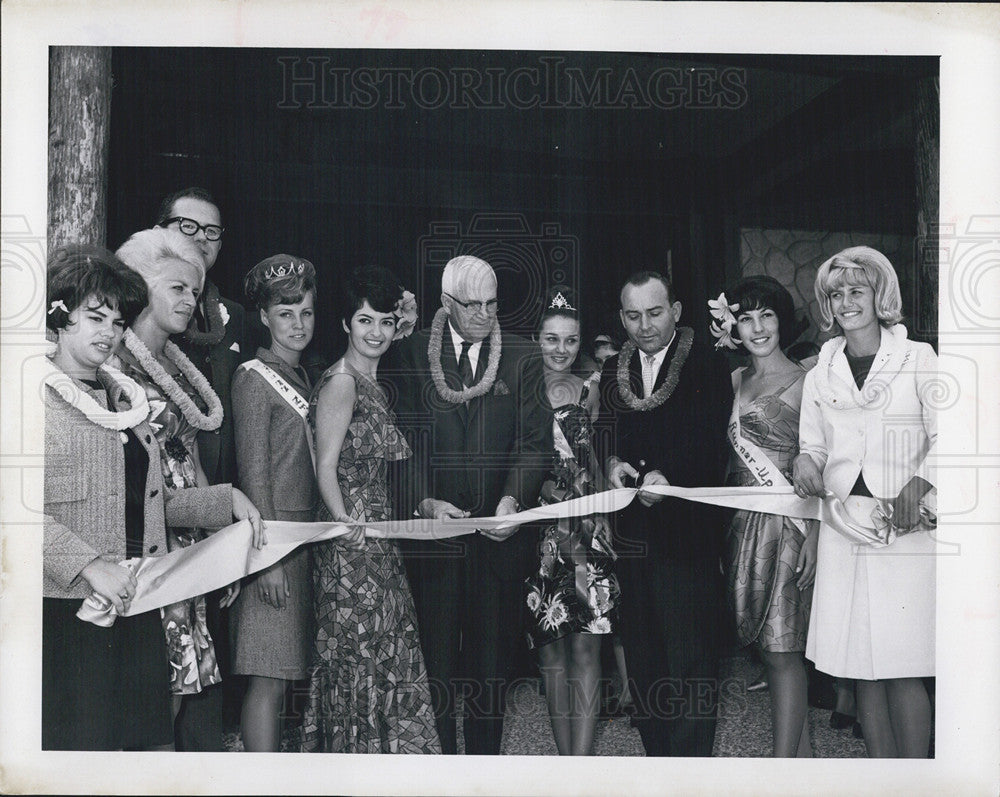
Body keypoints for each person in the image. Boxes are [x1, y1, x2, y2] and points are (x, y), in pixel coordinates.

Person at [42, 245, 256, 750]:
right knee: (80, 761)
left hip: (139, 601)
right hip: (67, 610)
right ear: (59, 316)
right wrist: (90, 565)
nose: (109, 333)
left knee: (147, 752)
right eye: (95, 318)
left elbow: (145, 505)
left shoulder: (124, 400)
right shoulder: (28, 394)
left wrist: (225, 503)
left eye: (117, 322)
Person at [384, 255, 552, 755]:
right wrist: (423, 502)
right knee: (433, 666)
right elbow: (398, 441)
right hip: (433, 541)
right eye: (472, 305)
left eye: (492, 304)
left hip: (497, 544)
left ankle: (482, 772)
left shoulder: (522, 355)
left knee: (491, 673)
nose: (484, 315)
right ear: (445, 304)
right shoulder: (409, 354)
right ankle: (439, 773)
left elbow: (534, 443)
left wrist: (512, 500)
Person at [792, 246, 937, 758]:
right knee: (861, 670)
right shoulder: (819, 371)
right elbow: (812, 445)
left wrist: (916, 489)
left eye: (857, 290)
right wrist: (805, 463)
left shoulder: (918, 357)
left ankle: (918, 780)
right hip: (842, 525)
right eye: (836, 293)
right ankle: (882, 776)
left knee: (902, 665)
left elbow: (951, 435)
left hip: (903, 524)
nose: (846, 301)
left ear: (881, 296)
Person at [114, 227, 259, 738]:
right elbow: (137, 490)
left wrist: (220, 541)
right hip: (147, 543)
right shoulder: (113, 366)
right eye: (177, 287)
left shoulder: (177, 362)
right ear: (139, 286)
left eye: (194, 290)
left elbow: (189, 456)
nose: (189, 299)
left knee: (184, 688)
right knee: (152, 695)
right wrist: (225, 502)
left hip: (188, 538)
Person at [299, 266, 439, 753]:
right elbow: (325, 465)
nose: (375, 332)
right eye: (364, 321)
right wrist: (343, 523)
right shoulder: (342, 383)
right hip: (350, 549)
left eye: (384, 321)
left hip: (376, 541)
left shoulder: (371, 382)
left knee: (382, 649)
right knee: (357, 656)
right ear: (345, 325)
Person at [597, 270, 732, 757]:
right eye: (633, 316)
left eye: (655, 313)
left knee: (691, 661)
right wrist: (611, 462)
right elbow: (605, 431)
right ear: (621, 318)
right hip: (632, 537)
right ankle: (657, 761)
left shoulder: (709, 363)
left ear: (675, 311)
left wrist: (669, 477)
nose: (645, 325)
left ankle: (691, 770)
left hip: (687, 534)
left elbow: (714, 437)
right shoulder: (615, 367)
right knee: (646, 656)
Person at [708, 275, 818, 757]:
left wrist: (814, 533)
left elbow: (820, 461)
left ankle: (781, 772)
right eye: (745, 317)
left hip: (788, 527)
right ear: (732, 324)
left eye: (766, 315)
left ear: (781, 319)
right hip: (739, 526)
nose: (757, 327)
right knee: (765, 649)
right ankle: (805, 763)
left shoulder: (808, 381)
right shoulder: (732, 381)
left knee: (783, 651)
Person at [155, 186, 248, 749]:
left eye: (211, 231)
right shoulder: (148, 310)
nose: (201, 240)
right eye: (187, 227)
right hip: (163, 503)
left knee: (205, 658)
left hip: (213, 498)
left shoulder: (231, 315)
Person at [524, 289, 620, 755]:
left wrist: (601, 509)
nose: (560, 349)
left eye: (570, 340)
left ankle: (581, 767)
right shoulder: (519, 387)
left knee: (587, 645)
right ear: (536, 339)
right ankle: (564, 764)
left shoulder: (589, 388)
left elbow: (594, 459)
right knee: (550, 653)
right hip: (538, 528)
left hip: (585, 527)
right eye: (551, 338)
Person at [230, 255, 319, 751]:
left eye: (306, 312)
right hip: (274, 544)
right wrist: (266, 561)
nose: (298, 324)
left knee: (283, 674)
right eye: (286, 313)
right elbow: (254, 475)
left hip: (300, 544)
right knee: (266, 677)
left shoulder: (303, 378)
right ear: (264, 316)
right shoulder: (253, 378)